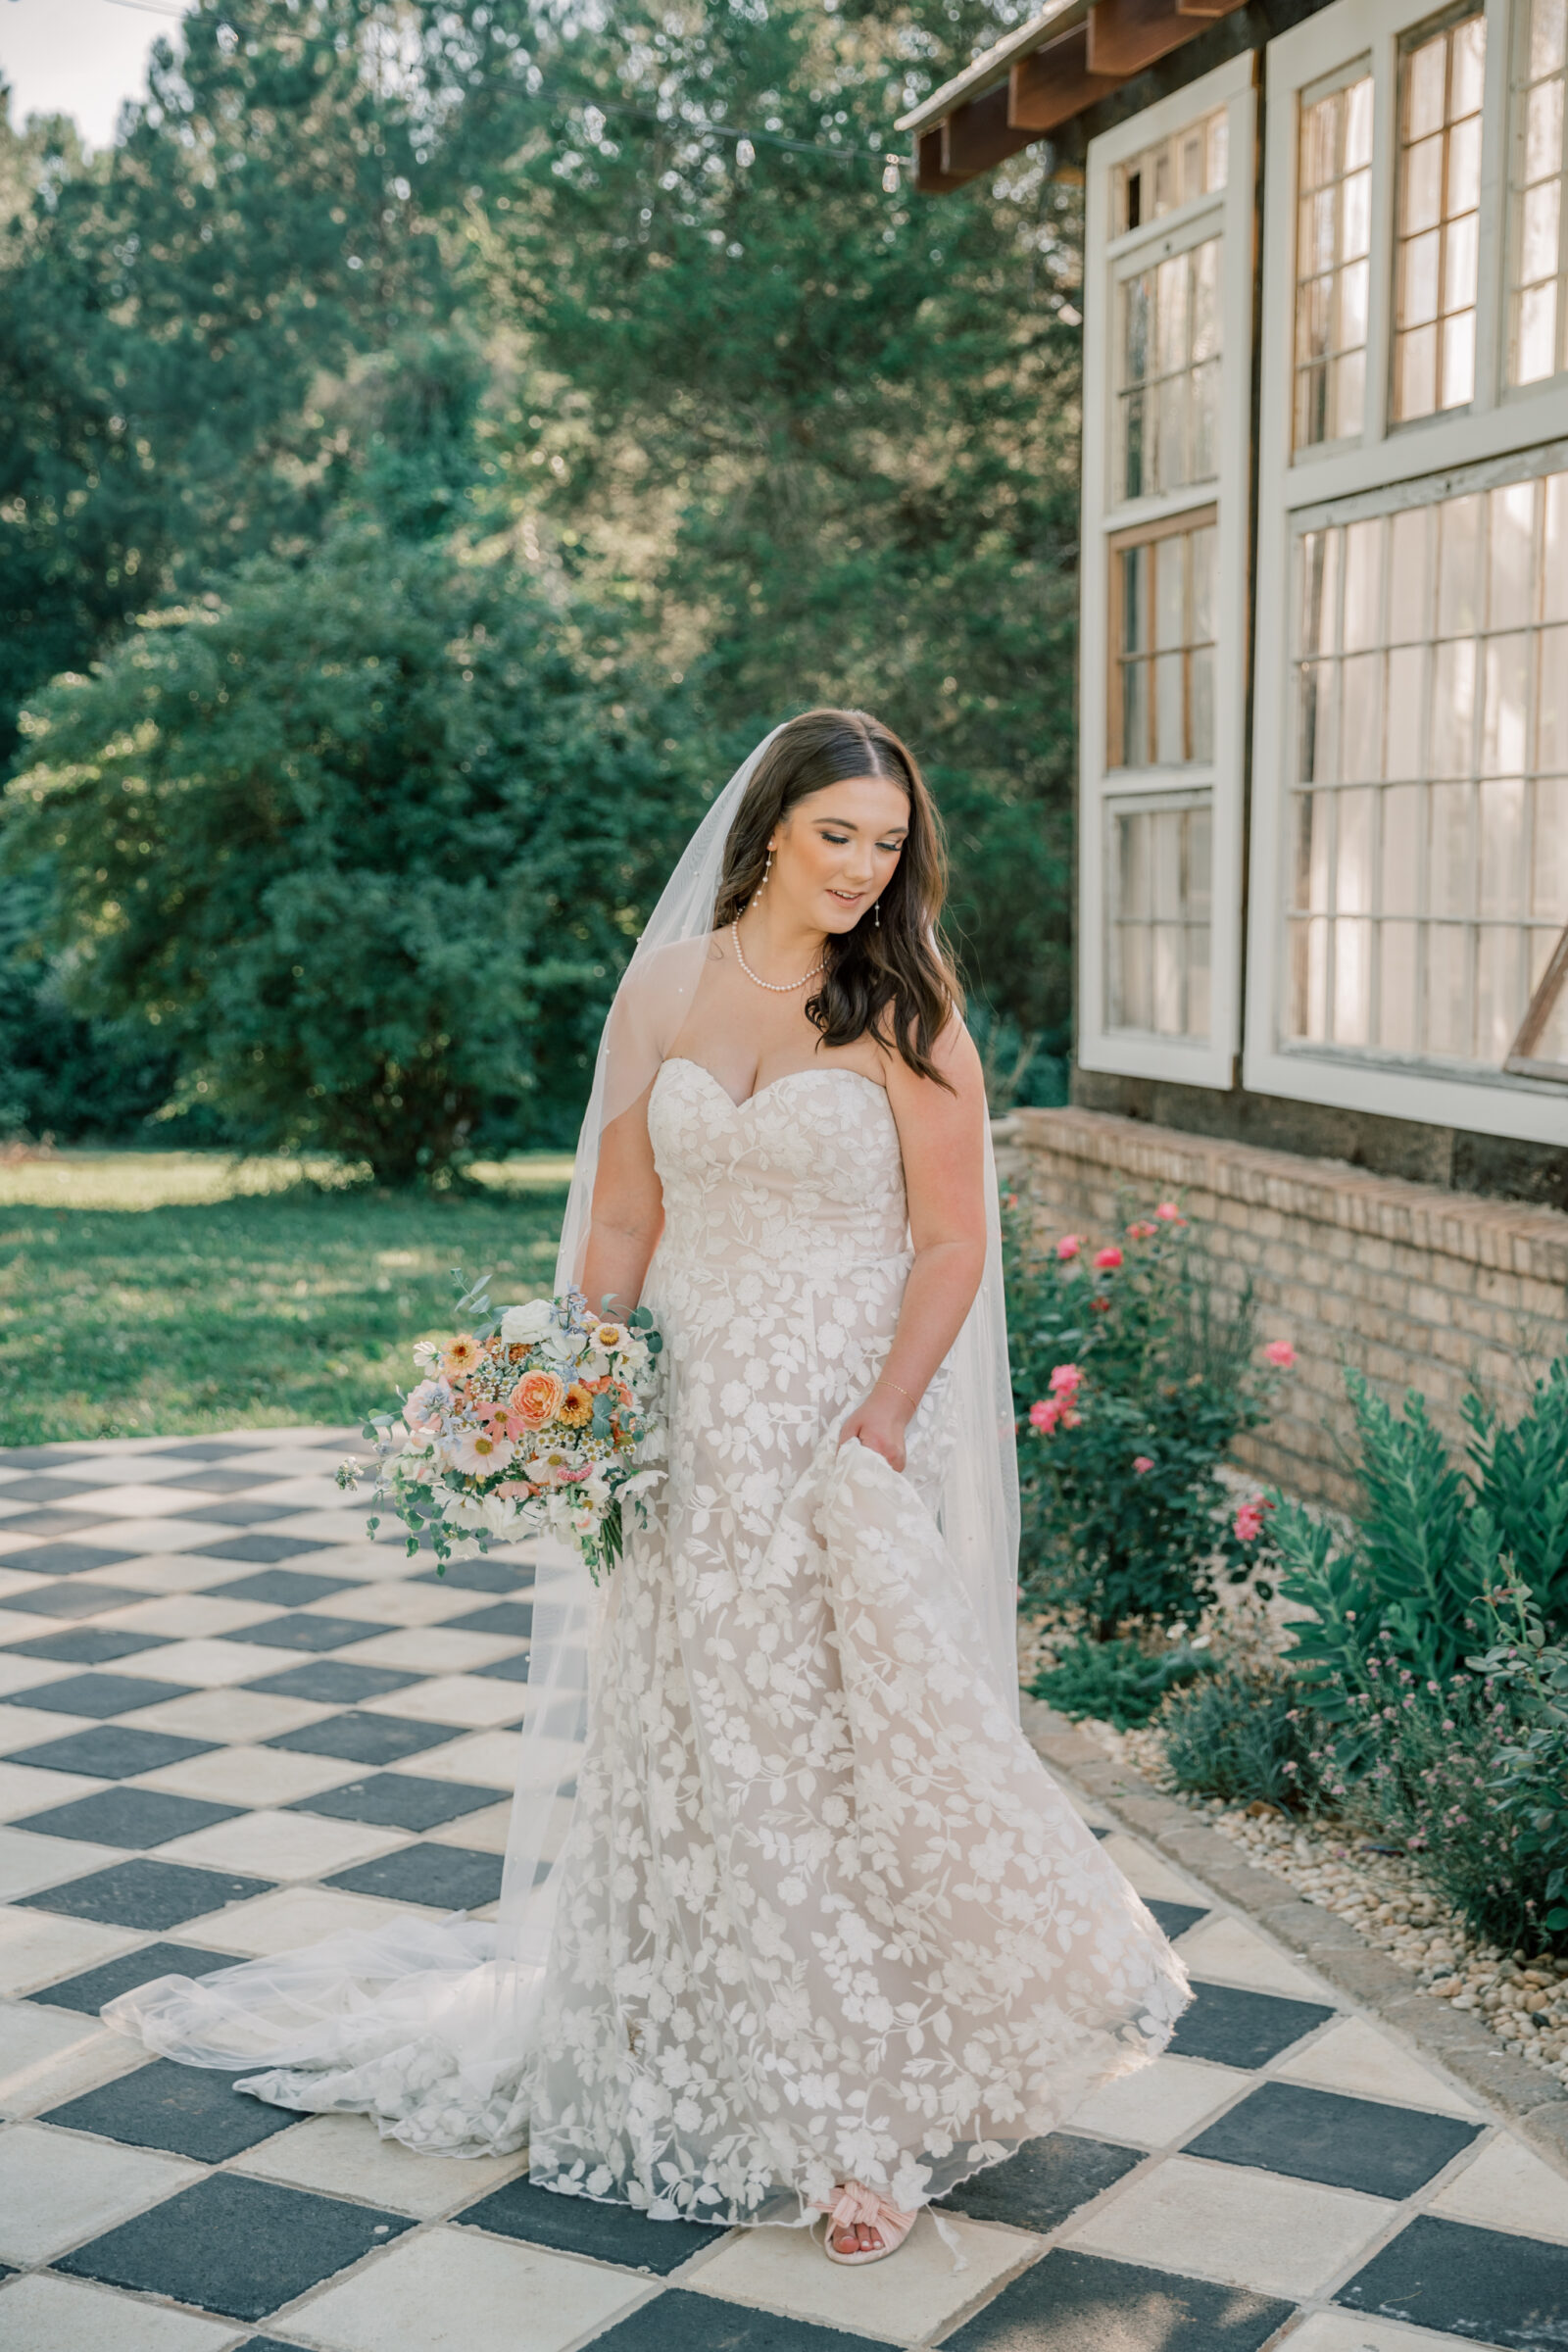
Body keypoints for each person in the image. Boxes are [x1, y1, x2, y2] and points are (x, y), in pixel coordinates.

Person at [106, 710, 1189, 2271]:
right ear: (769, 829)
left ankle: (857, 2121)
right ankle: (703, 2060)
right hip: (688, 1422)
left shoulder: (910, 1006)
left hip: (835, 1428)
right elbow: (623, 1214)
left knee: (840, 1749)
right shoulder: (669, 987)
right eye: (840, 837)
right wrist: (574, 1385)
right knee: (698, 1740)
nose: (865, 871)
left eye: (889, 848)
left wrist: (883, 1419)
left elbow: (955, 1244)